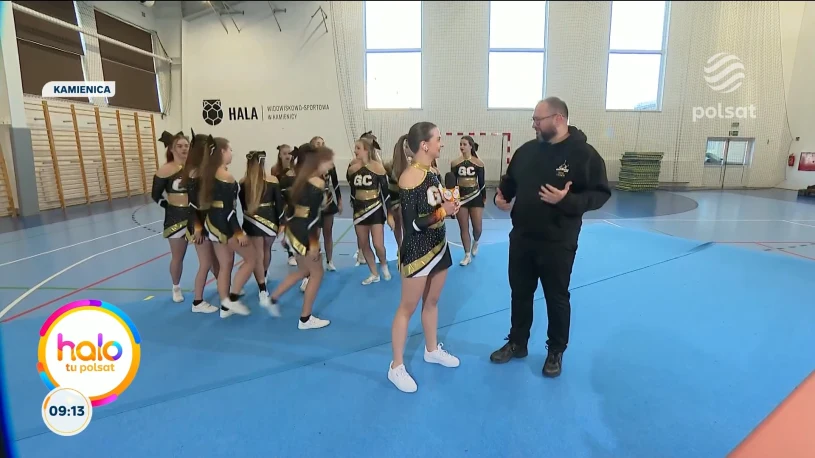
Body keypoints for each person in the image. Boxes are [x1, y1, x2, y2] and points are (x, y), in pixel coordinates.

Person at [490, 97, 611, 377]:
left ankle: (555, 350)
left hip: (558, 241)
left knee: (556, 297)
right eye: (533, 120)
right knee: (520, 293)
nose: (534, 125)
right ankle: (517, 342)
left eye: (538, 120)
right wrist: (501, 197)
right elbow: (510, 182)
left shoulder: (584, 155)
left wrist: (567, 200)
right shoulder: (526, 151)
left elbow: (600, 193)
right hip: (522, 237)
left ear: (558, 119)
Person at [388, 122, 461, 393]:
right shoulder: (409, 178)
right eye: (438, 139)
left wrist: (450, 204)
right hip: (418, 251)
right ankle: (396, 366)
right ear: (424, 145)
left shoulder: (432, 172)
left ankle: (431, 350)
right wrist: (443, 212)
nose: (442, 143)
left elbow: (434, 207)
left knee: (432, 302)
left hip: (439, 245)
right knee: (406, 308)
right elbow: (412, 224)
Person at [266, 143, 333, 330]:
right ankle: (305, 318)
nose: (330, 164)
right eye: (328, 161)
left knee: (303, 271)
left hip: (294, 229)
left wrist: (286, 233)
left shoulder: (299, 180)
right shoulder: (317, 183)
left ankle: (273, 298)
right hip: (304, 232)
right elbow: (313, 218)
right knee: (317, 273)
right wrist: (313, 244)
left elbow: (291, 210)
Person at [198, 135, 256, 318]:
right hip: (225, 225)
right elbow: (229, 210)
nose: (232, 153)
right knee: (252, 259)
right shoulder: (225, 177)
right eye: (230, 150)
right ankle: (233, 297)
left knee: (225, 265)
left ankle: (225, 307)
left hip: (212, 223)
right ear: (222, 151)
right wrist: (238, 232)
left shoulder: (208, 174)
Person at [239, 150, 285, 315]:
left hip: (253, 220)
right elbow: (279, 203)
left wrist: (282, 222)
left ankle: (262, 285)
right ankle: (262, 285)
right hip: (268, 219)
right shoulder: (270, 180)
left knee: (259, 253)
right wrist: (282, 222)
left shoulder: (243, 181)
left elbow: (243, 206)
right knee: (264, 251)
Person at [181, 131, 220, 314]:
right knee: (205, 263)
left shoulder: (200, 171)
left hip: (206, 221)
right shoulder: (194, 173)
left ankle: (224, 288)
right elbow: (192, 206)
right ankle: (197, 301)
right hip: (199, 223)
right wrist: (197, 228)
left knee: (214, 261)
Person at [151, 131, 191, 303]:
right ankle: (176, 288)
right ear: (172, 149)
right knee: (178, 256)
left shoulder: (196, 169)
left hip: (196, 216)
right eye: (179, 146)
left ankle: (222, 284)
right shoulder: (165, 170)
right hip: (176, 218)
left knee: (208, 256)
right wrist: (168, 206)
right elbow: (155, 194)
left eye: (186, 146)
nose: (184, 149)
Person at [346, 138, 391, 285]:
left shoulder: (378, 168)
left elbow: (385, 193)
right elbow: (352, 191)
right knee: (364, 244)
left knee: (378, 244)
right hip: (359, 211)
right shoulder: (352, 169)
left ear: (366, 150)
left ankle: (383, 264)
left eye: (358, 148)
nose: (355, 151)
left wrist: (389, 214)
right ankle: (374, 273)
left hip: (375, 209)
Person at [451, 136, 486, 266]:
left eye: (464, 144)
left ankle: (476, 242)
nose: (462, 146)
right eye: (460, 144)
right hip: (461, 198)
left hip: (475, 196)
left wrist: (484, 197)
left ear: (471, 146)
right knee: (463, 228)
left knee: (478, 228)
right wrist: (453, 200)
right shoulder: (455, 163)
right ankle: (466, 255)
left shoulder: (479, 163)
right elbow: (452, 184)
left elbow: (481, 182)